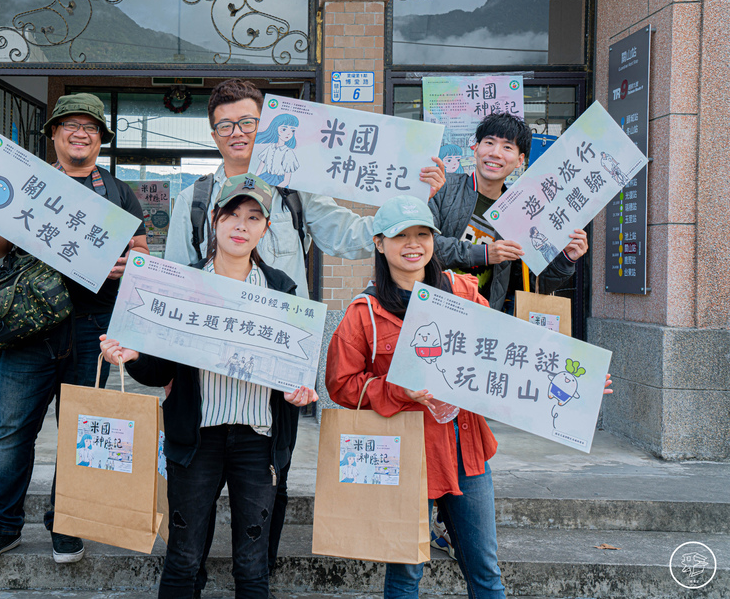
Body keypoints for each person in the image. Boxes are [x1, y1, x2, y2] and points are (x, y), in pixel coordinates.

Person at [164, 79, 446, 588]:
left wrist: (411, 201)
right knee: (190, 512)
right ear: (212, 133)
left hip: (278, 372)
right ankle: (192, 577)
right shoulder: (193, 198)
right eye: (225, 124)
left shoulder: (294, 192)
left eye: (248, 121)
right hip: (205, 374)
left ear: (265, 125)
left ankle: (258, 575)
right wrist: (165, 363)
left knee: (268, 491)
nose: (238, 132)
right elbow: (173, 283)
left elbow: (355, 235)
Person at [325, 195, 612, 598]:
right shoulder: (364, 313)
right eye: (400, 236)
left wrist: (576, 382)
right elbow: (340, 385)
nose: (413, 244)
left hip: (465, 448)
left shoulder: (461, 291)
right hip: (406, 456)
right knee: (406, 573)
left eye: (422, 234)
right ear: (378, 243)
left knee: (485, 570)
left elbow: (508, 351)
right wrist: (395, 389)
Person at [101, 173, 318, 599]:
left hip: (257, 443)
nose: (241, 225)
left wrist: (299, 391)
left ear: (265, 229)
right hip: (195, 440)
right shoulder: (182, 285)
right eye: (232, 214)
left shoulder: (281, 290)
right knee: (183, 559)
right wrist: (132, 355)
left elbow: (294, 373)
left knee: (252, 567)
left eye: (254, 217)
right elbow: (158, 371)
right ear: (215, 221)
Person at [0, 93, 148, 571]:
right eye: (70, 125)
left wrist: (123, 267)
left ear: (101, 139)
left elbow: (141, 257)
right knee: (13, 431)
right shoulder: (28, 183)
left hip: (92, 329)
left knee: (80, 429)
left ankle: (66, 522)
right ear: (53, 135)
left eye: (90, 126)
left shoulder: (119, 193)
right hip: (29, 327)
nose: (80, 133)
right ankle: (0, 526)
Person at [429, 113, 588, 313]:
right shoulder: (442, 188)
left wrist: (566, 259)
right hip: (433, 309)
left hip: (483, 321)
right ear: (475, 148)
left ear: (520, 160)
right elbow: (423, 245)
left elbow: (530, 286)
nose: (496, 153)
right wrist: (485, 254)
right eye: (489, 142)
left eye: (507, 147)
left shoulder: (523, 211)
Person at [254, 113, 300, 187]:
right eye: (284, 129)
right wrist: (254, 181)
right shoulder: (270, 148)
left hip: (279, 183)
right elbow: (259, 170)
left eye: (292, 130)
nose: (288, 133)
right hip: (265, 177)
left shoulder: (288, 153)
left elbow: (286, 181)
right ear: (275, 128)